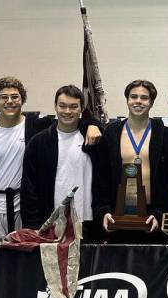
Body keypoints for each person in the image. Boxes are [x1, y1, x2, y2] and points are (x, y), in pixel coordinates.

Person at [0, 76, 100, 236]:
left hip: (24, 205)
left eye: (15, 97)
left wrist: (93, 124)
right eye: (4, 97)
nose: (10, 101)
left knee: (24, 254)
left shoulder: (36, 126)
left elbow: (69, 123)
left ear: (22, 100)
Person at [21, 85, 112, 239]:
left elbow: (106, 181)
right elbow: (29, 189)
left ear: (81, 109)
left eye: (73, 107)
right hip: (51, 222)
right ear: (55, 107)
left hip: (88, 223)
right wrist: (33, 226)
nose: (67, 111)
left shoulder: (94, 140)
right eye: (62, 106)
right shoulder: (39, 143)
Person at [99, 80, 168, 243]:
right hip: (117, 216)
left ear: (151, 102)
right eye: (134, 97)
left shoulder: (167, 136)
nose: (138, 101)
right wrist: (104, 211)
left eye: (144, 98)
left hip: (153, 217)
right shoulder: (111, 133)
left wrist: (161, 214)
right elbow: (100, 177)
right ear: (127, 100)